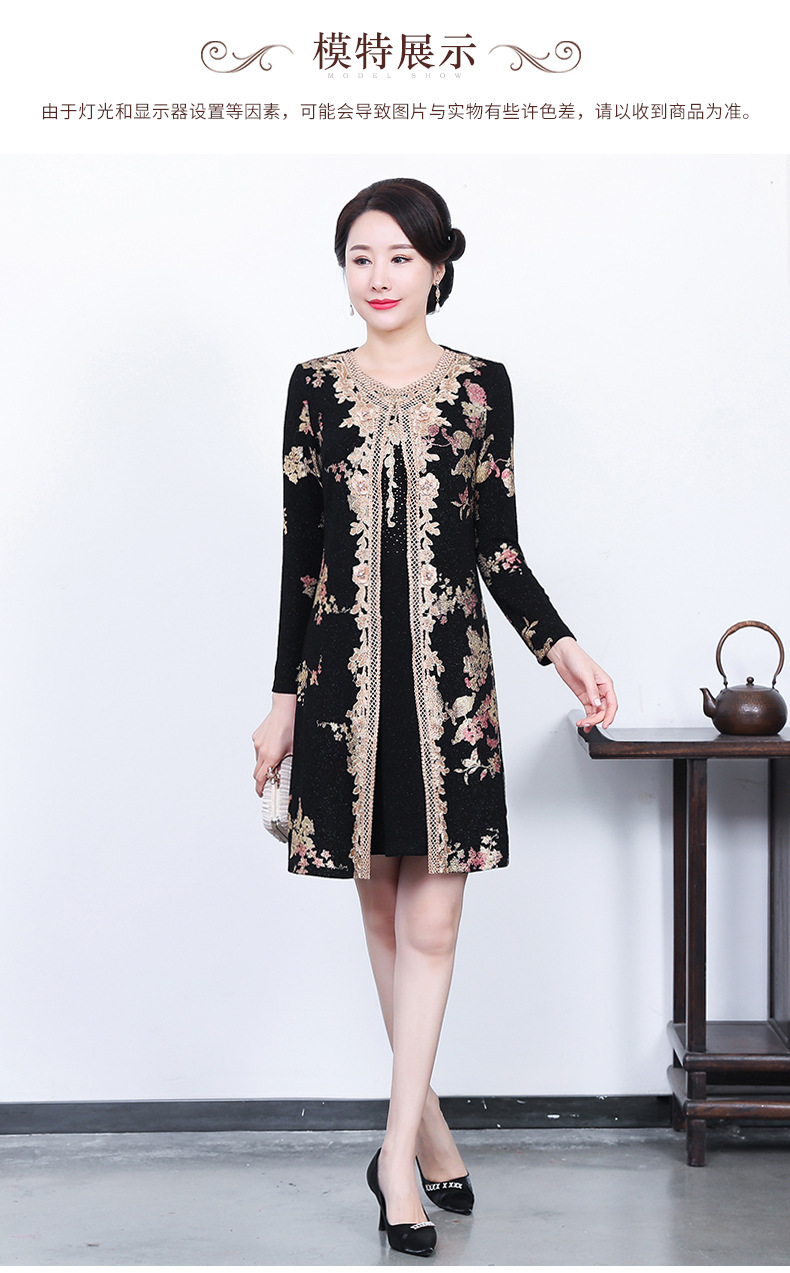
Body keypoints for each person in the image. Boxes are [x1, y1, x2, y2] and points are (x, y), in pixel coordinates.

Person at [252, 177, 617, 1257]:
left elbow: (497, 543)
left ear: (439, 267)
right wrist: (281, 701)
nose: (378, 277)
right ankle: (432, 1134)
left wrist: (561, 646)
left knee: (433, 924)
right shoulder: (314, 388)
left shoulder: (480, 387)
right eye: (360, 257)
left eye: (399, 258)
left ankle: (394, 1159)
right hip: (343, 696)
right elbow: (301, 554)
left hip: (453, 693)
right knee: (382, 920)